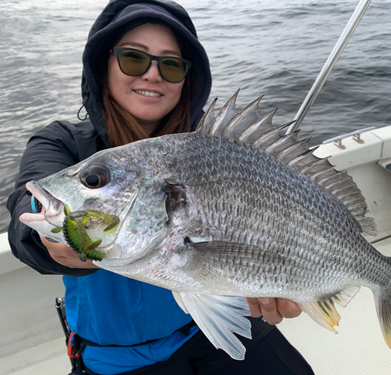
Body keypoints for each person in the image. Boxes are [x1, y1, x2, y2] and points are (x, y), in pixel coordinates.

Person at [7, 1, 315, 374]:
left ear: (188, 78)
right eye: (134, 59)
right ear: (102, 66)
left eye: (170, 64)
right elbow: (28, 203)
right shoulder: (61, 142)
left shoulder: (220, 150)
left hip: (213, 317)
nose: (152, 75)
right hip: (115, 356)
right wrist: (47, 241)